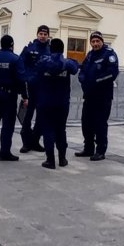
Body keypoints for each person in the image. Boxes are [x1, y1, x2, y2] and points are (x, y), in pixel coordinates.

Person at [35, 38, 79, 169]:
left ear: (50, 48)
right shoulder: (68, 63)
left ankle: (50, 160)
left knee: (48, 130)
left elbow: (36, 73)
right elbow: (75, 69)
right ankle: (62, 158)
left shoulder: (43, 62)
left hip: (45, 102)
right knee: (61, 130)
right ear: (62, 49)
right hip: (62, 102)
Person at [75, 31, 119, 161]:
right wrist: (82, 79)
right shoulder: (89, 55)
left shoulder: (109, 54)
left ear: (102, 41)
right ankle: (88, 148)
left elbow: (112, 73)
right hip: (89, 96)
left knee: (100, 124)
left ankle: (100, 150)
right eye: (93, 42)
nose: (95, 44)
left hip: (103, 96)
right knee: (86, 123)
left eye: (97, 41)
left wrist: (96, 82)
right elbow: (82, 70)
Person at [18, 25, 51, 153]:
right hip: (30, 88)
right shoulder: (29, 48)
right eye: (41, 34)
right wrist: (24, 90)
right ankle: (26, 143)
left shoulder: (50, 49)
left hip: (44, 89)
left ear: (48, 35)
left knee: (41, 117)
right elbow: (20, 66)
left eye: (45, 34)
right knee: (27, 117)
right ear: (37, 34)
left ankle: (35, 141)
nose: (43, 36)